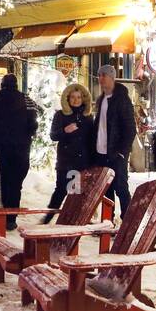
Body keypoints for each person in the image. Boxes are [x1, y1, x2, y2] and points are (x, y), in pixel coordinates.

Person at [0, 73, 38, 228]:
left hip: (3, 146)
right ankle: (11, 218)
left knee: (5, 178)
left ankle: (6, 213)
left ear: (3, 85)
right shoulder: (27, 100)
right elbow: (34, 124)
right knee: (16, 182)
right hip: (22, 147)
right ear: (16, 84)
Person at [44, 81, 93, 222]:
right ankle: (48, 217)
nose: (76, 100)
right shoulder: (60, 115)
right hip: (66, 161)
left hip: (82, 162)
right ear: (67, 98)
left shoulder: (88, 117)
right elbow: (53, 135)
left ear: (83, 99)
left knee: (77, 193)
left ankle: (74, 220)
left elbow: (92, 139)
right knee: (60, 189)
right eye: (72, 97)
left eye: (78, 97)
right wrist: (65, 131)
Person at [92, 64, 136, 216]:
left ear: (112, 78)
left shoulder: (122, 100)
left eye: (104, 75)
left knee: (121, 188)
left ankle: (127, 223)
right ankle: (107, 222)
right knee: (106, 189)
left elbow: (130, 128)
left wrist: (122, 152)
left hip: (116, 153)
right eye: (99, 75)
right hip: (101, 152)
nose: (101, 78)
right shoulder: (101, 100)